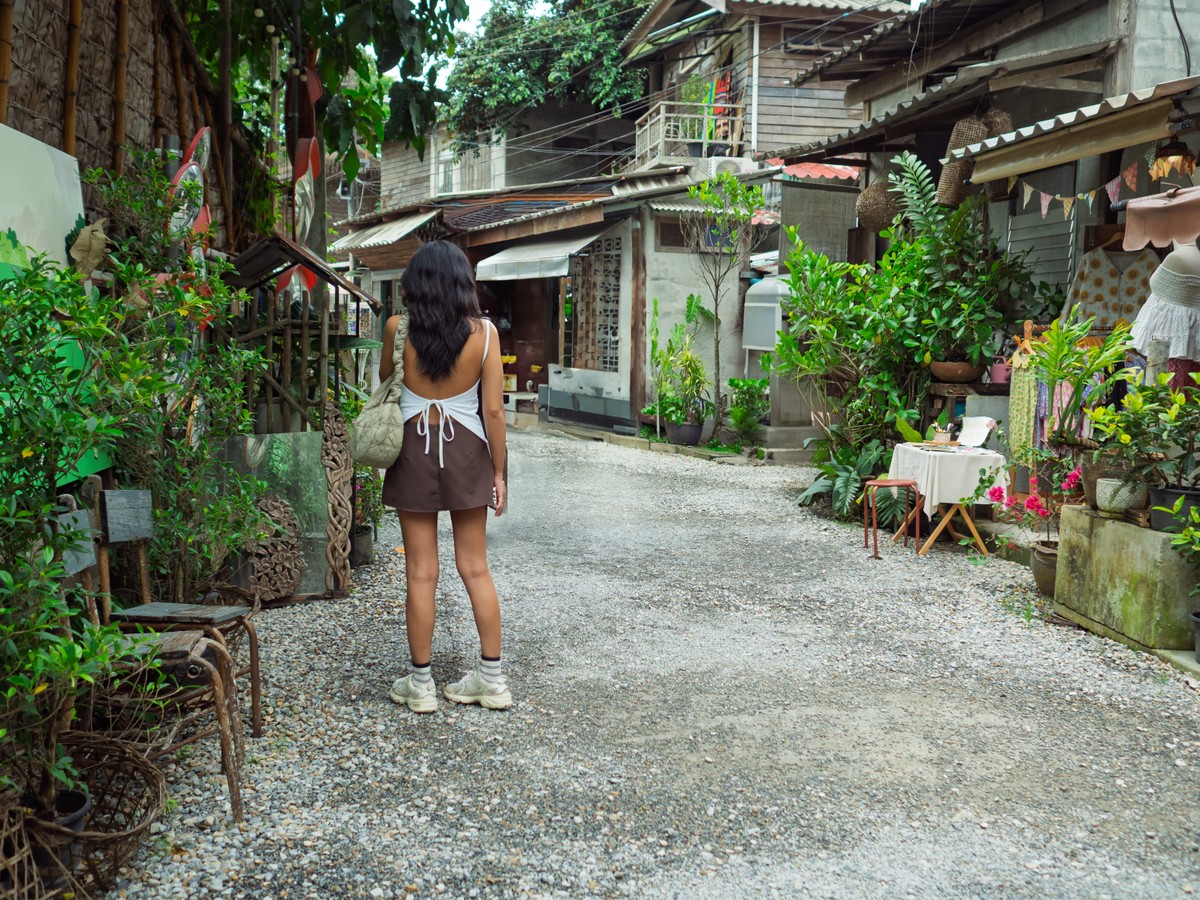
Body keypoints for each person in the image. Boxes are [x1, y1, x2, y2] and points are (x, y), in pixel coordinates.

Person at [378, 241, 509, 713]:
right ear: (462, 283)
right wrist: (499, 472)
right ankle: (491, 680)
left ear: (415, 284)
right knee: (475, 566)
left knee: (420, 570)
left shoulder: (397, 329)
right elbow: (493, 411)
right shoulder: (486, 335)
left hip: (413, 449)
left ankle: (421, 685)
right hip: (467, 451)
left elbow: (388, 382)